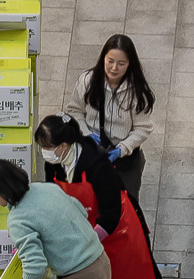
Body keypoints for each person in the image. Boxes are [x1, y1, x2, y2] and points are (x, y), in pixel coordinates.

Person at [32, 115, 159, 279]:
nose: (44, 153)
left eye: (48, 147)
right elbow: (52, 195)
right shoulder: (54, 164)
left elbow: (110, 214)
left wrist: (87, 243)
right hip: (79, 226)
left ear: (65, 145)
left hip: (114, 231)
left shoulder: (97, 164)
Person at [64, 34, 157, 206]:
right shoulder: (88, 81)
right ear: (103, 58)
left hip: (124, 158)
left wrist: (122, 149)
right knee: (88, 203)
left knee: (126, 206)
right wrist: (86, 134)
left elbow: (143, 129)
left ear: (130, 64)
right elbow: (74, 110)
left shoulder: (137, 92)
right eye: (110, 61)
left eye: (121, 64)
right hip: (90, 152)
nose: (114, 68)